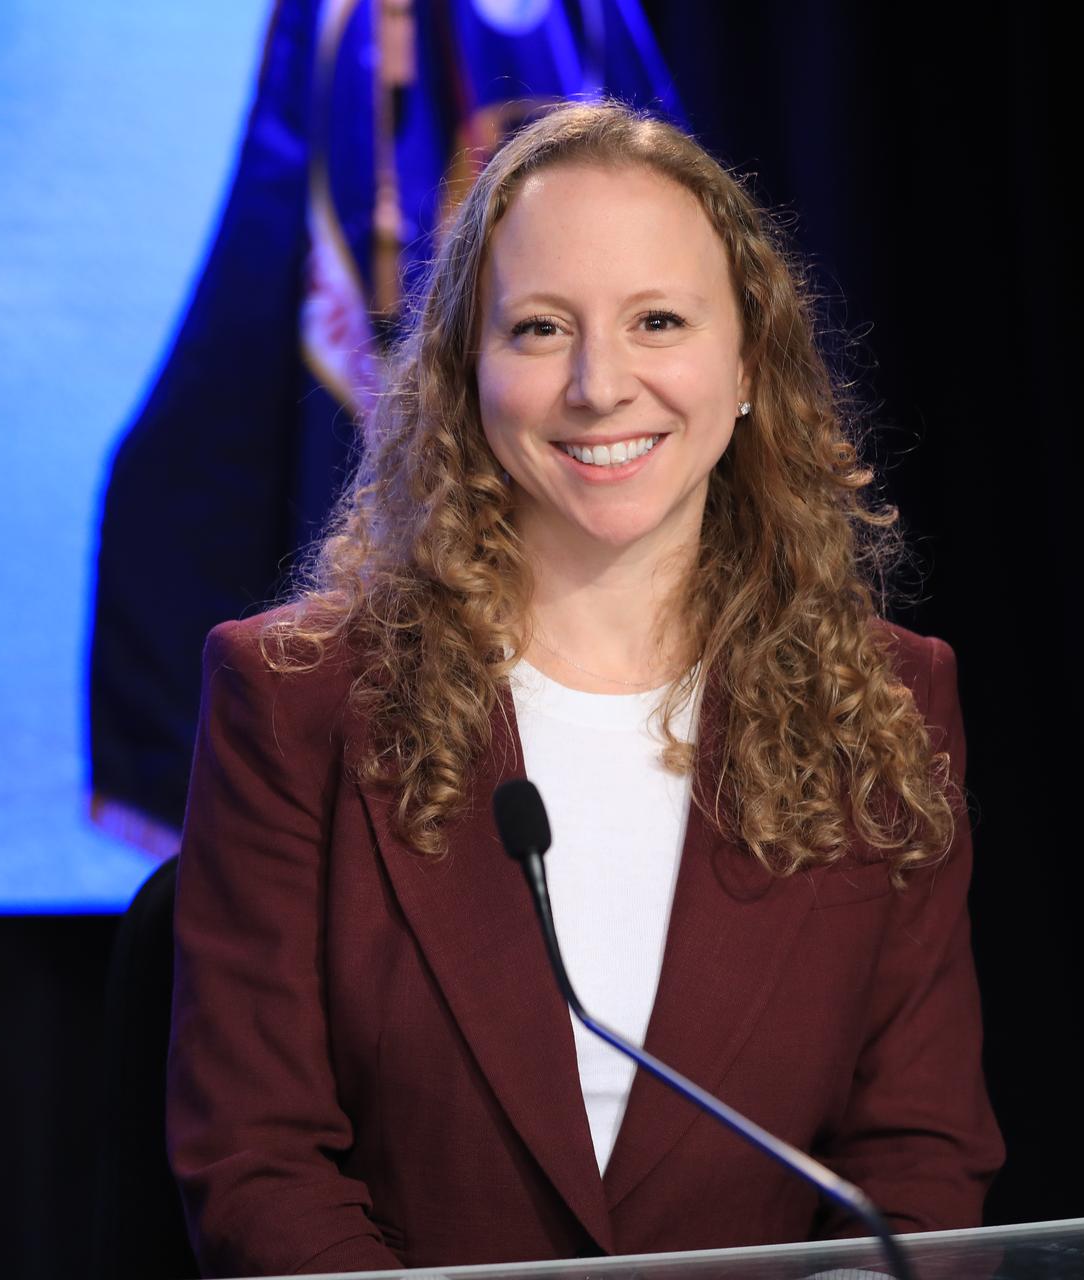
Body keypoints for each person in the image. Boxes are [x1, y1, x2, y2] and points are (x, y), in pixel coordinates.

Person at [165, 98, 1004, 1277]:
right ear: (468, 372)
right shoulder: (293, 700)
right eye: (542, 328)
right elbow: (260, 1166)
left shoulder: (890, 704)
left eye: (658, 320)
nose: (601, 385)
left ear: (748, 360)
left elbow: (921, 1163)